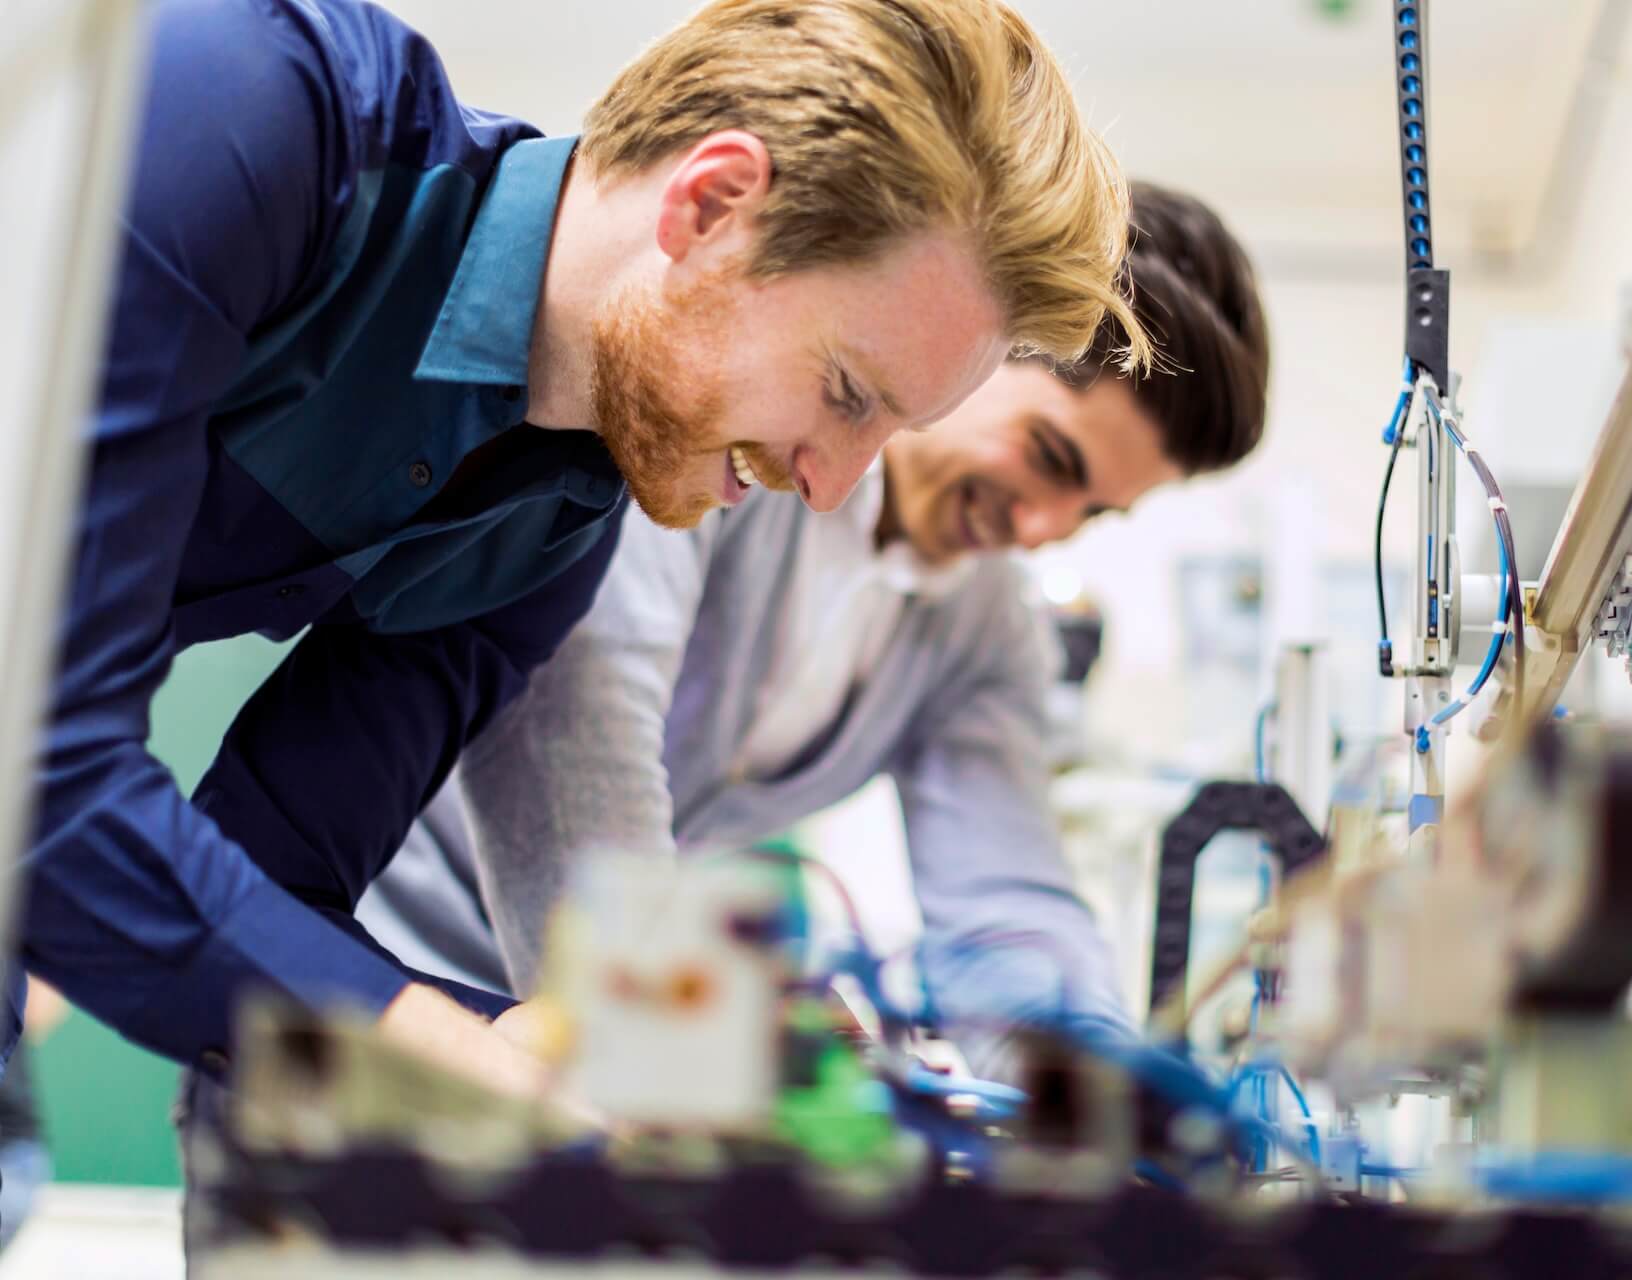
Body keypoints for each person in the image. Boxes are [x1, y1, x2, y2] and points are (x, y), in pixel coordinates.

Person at [20, 0, 1148, 1099]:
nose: (830, 485)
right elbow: (45, 777)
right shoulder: (251, 107)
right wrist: (468, 1056)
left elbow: (275, 888)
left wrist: (578, 1055)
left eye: (893, 429)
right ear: (711, 205)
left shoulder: (551, 527)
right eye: (846, 393)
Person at [359, 183, 1271, 1080]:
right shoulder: (742, 445)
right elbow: (581, 733)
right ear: (984, 346)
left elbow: (1005, 905)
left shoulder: (986, 629)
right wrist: (690, 1037)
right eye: (1049, 459)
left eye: (1093, 513)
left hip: (598, 1040)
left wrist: (1093, 1102)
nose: (1041, 529)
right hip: (391, 981)